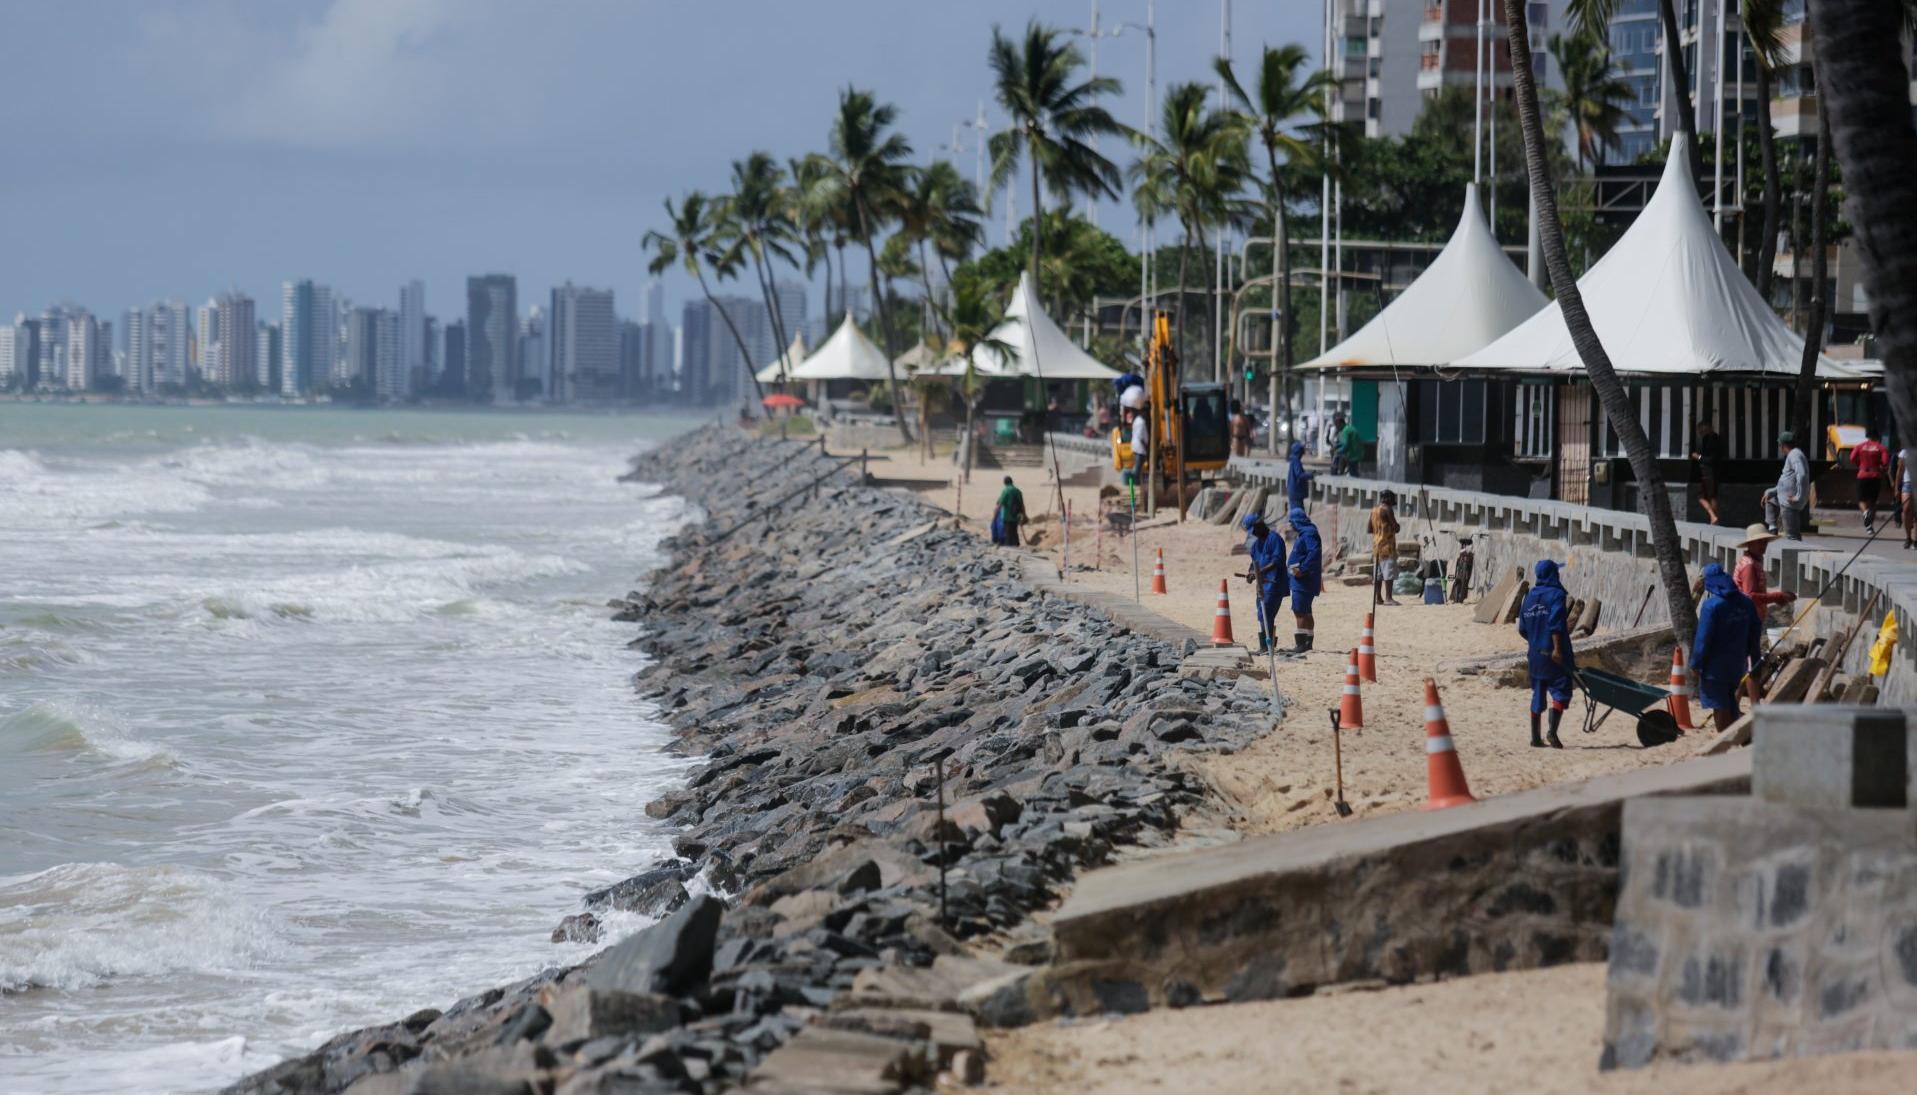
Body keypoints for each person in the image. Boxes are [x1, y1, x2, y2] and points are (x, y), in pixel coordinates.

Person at [1693, 562, 1762, 731]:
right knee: (1729, 700)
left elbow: (1703, 639)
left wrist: (1695, 664)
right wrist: (1755, 660)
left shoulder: (1711, 606)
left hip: (1714, 667)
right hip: (1737, 665)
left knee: (1719, 705)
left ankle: (1725, 741)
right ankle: (1737, 737)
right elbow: (1755, 635)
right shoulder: (1746, 604)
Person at [1516, 560, 1575, 749]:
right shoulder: (1557, 595)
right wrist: (1557, 649)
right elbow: (1556, 623)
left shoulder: (1530, 596)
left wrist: (1535, 641)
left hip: (1535, 655)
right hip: (1554, 653)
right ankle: (1552, 732)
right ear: (1552, 574)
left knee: (1538, 692)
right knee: (1561, 689)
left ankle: (1535, 738)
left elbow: (1522, 628)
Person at [1241, 513, 1287, 654]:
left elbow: (1277, 561)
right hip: (1261, 586)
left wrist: (1259, 571)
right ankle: (1266, 645)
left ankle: (1268, 647)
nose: (1253, 534)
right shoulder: (1255, 546)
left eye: (1254, 530)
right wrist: (1251, 573)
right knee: (1261, 614)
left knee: (1267, 613)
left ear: (1259, 524)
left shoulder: (1275, 539)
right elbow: (1253, 563)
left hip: (1274, 584)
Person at [1732, 523, 1796, 622]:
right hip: (1746, 618)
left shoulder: (1754, 561)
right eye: (1759, 542)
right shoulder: (1749, 565)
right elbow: (1750, 596)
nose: (1763, 545)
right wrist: (1777, 596)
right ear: (1750, 544)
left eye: (1765, 542)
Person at [1285, 506, 1322, 652]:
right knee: (1306, 611)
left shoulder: (1309, 534)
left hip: (1303, 579)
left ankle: (1301, 644)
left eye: (1292, 522)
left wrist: (1302, 569)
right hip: (1300, 578)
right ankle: (1307, 642)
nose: (1291, 525)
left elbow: (1314, 553)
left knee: (1299, 610)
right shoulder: (1305, 533)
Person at [1761, 431, 1810, 541]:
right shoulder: (1793, 454)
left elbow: (1801, 475)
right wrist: (1773, 491)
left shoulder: (1794, 455)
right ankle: (1772, 528)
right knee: (1768, 495)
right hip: (1785, 497)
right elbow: (1788, 480)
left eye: (1779, 445)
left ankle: (1795, 555)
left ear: (1782, 445)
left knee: (1792, 536)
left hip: (1789, 501)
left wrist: (1798, 496)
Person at [1851, 430, 1889, 532]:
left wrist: (1860, 464)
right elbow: (1885, 463)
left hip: (1862, 475)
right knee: (1873, 502)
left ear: (1868, 437)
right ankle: (1870, 527)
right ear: (1878, 437)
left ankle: (1865, 513)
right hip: (1875, 476)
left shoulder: (1859, 446)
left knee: (1862, 500)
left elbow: (1852, 458)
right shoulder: (1881, 448)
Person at [1369, 490, 1402, 606]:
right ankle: (1388, 598)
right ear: (1387, 499)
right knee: (1388, 572)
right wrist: (1397, 527)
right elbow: (1395, 526)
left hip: (1376, 546)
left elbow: (1369, 529)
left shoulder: (1374, 510)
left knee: (1378, 573)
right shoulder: (1387, 509)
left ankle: (1378, 597)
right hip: (1387, 546)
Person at [1689, 418, 1724, 526]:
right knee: (1709, 495)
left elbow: (1711, 459)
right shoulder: (1706, 439)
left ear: (1708, 427)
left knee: (1707, 496)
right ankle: (1714, 518)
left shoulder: (1714, 439)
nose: (1699, 431)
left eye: (1701, 428)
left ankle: (1713, 517)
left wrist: (1698, 457)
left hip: (1711, 472)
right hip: (1706, 472)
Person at [993, 476, 1025, 547]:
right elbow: (1022, 504)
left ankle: (1009, 547)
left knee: (1008, 533)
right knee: (1014, 532)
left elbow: (1000, 504)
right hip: (1016, 516)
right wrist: (1024, 515)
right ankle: (1016, 545)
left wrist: (995, 515)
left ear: (1004, 483)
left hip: (1007, 516)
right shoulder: (1018, 491)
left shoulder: (1006, 491)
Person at [1285, 440, 1314, 509]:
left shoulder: (1293, 460)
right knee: (1297, 513)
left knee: (1295, 512)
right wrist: (1310, 475)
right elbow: (1299, 474)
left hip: (1293, 492)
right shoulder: (1296, 461)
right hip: (1296, 492)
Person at [1128, 402, 1151, 488]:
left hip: (1136, 446)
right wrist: (1146, 446)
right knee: (1138, 467)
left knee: (1138, 466)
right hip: (1140, 447)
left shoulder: (1137, 420)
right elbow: (1141, 437)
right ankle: (1134, 482)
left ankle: (1135, 482)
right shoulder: (1141, 422)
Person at [1900, 445, 1917, 549]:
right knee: (1906, 509)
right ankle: (1908, 537)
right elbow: (1900, 469)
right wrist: (1896, 486)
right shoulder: (1905, 451)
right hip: (1908, 483)